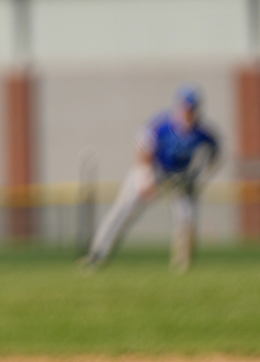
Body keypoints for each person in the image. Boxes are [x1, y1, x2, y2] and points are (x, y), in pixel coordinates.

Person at [81, 87, 220, 273]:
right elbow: (142, 150)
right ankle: (97, 254)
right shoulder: (162, 125)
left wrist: (200, 177)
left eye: (192, 108)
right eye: (186, 108)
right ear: (179, 107)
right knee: (123, 211)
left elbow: (215, 153)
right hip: (151, 171)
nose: (189, 112)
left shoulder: (202, 133)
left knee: (186, 217)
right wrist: (145, 178)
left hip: (178, 178)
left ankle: (182, 264)